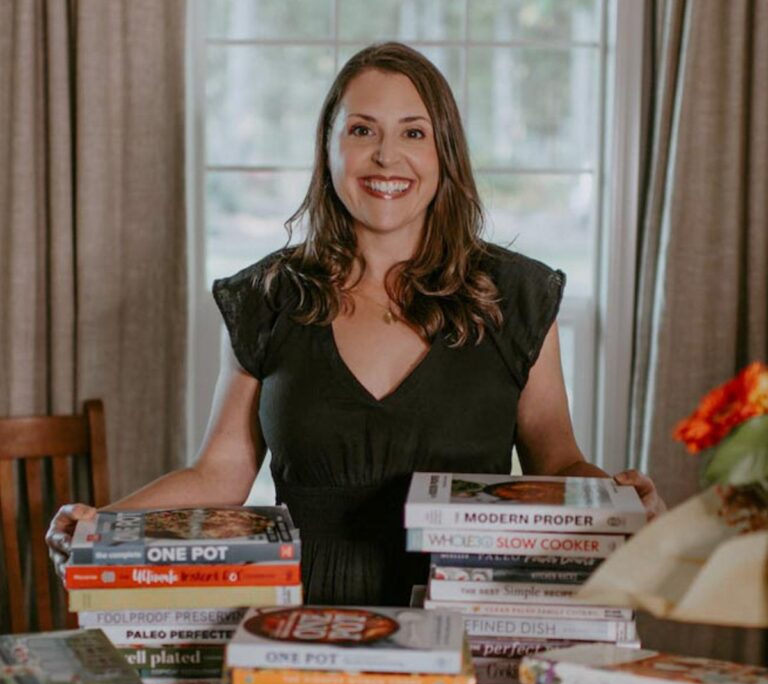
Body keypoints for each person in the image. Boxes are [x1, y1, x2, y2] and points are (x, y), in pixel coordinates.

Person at [46, 42, 665, 607]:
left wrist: (617, 497)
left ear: (443, 152)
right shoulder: (266, 297)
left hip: (473, 625)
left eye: (413, 133)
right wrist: (102, 523)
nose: (386, 155)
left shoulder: (515, 296)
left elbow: (556, 464)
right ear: (329, 147)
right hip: (299, 624)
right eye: (362, 129)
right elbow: (221, 474)